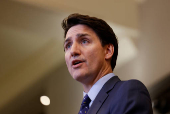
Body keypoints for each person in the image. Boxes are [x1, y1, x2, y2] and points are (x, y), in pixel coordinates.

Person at [62, 13, 153, 114]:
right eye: (68, 45)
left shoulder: (128, 91)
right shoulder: (84, 109)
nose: (73, 51)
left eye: (84, 41)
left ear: (108, 51)